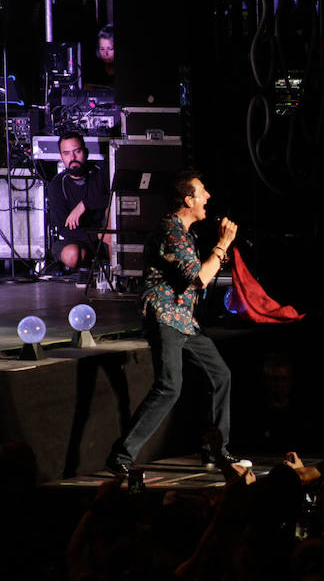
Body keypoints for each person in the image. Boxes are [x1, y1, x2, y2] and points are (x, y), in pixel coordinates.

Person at [105, 170, 239, 477]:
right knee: (169, 387)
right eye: (203, 192)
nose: (208, 197)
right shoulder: (171, 231)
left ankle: (216, 448)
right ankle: (122, 455)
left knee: (221, 375)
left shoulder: (185, 232)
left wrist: (221, 249)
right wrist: (223, 244)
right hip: (165, 318)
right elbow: (200, 279)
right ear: (188, 199)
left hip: (184, 321)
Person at [47, 131, 110, 271]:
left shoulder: (100, 174)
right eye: (67, 153)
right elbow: (63, 227)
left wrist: (85, 204)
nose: (73, 157)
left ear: (86, 153)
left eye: (77, 151)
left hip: (106, 235)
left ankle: (115, 273)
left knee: (111, 223)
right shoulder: (57, 184)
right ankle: (87, 269)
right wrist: (98, 235)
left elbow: (114, 199)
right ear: (61, 157)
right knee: (72, 255)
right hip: (76, 239)